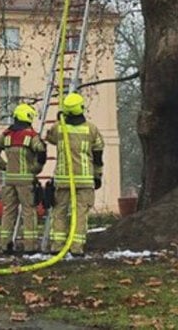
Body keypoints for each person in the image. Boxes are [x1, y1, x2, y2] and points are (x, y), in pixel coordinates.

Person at [44, 92, 104, 256]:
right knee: (80, 214)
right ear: (81, 108)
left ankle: (57, 246)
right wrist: (98, 176)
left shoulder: (59, 128)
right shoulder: (91, 129)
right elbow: (98, 154)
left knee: (59, 212)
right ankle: (76, 248)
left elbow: (49, 138)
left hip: (63, 180)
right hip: (85, 180)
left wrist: (59, 119)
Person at [0, 103, 46, 254]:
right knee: (29, 212)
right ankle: (30, 246)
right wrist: (36, 169)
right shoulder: (31, 136)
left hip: (9, 180)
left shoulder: (6, 135)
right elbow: (41, 152)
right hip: (26, 181)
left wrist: (3, 165)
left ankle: (5, 245)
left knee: (8, 212)